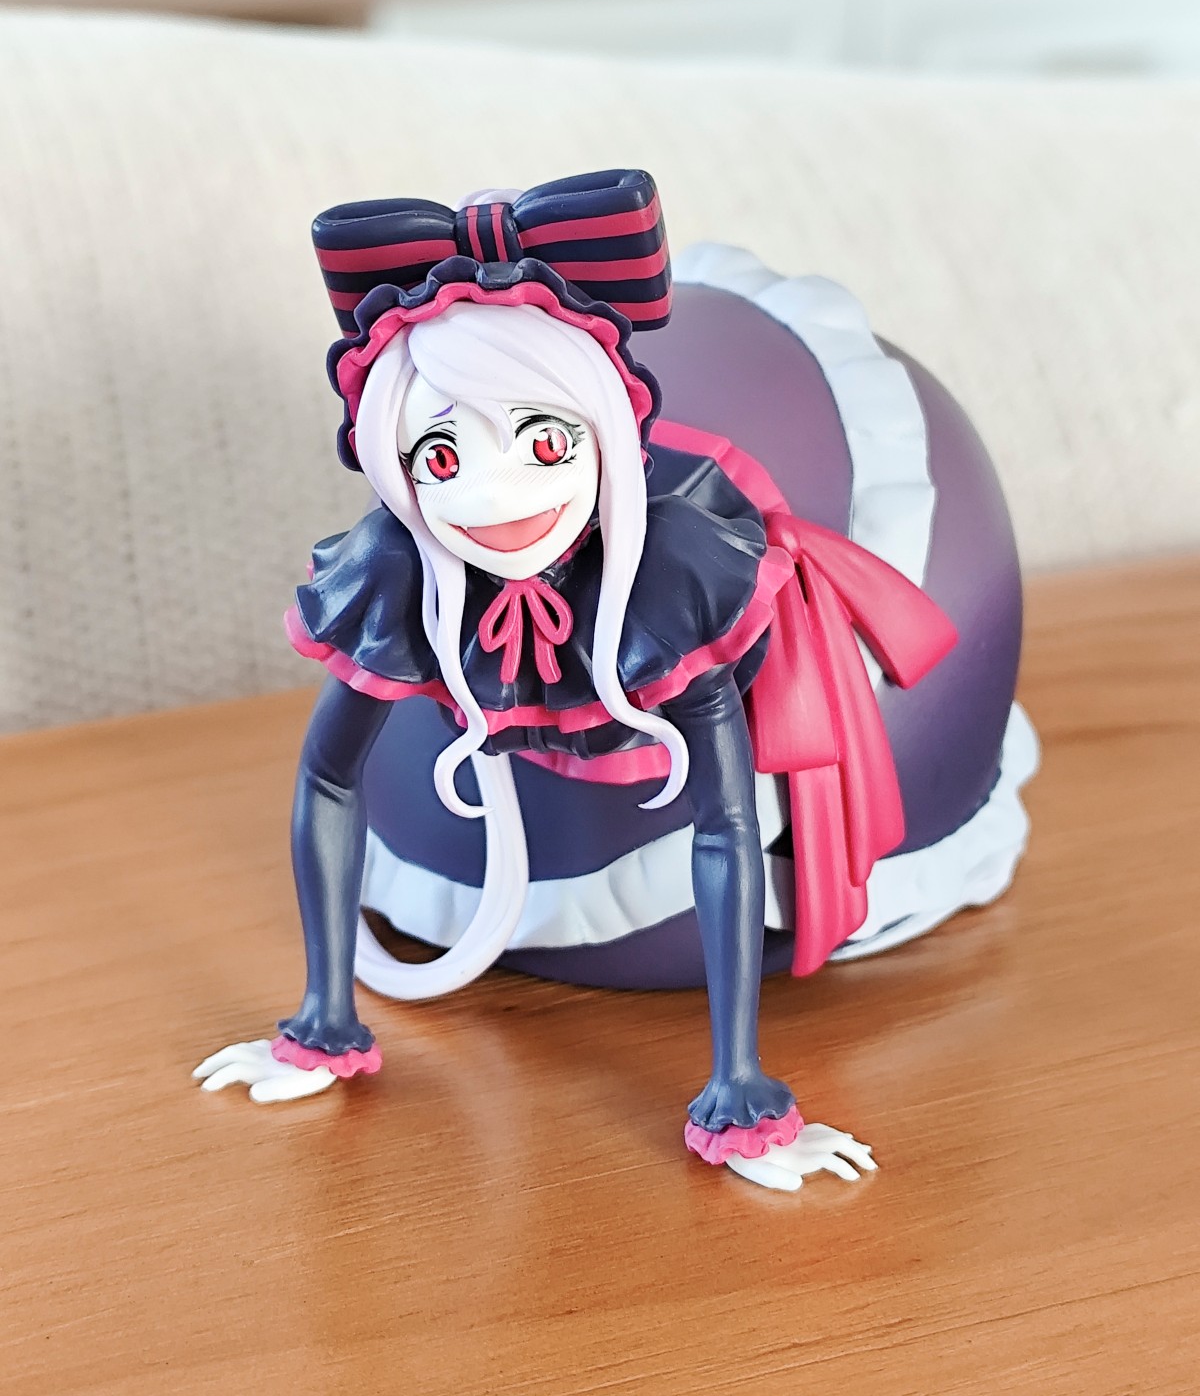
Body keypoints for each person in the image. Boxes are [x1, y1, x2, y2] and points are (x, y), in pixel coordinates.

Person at [195, 169, 959, 1192]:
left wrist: (741, 1089)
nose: (495, 494)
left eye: (544, 443)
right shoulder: (399, 573)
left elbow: (726, 822)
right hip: (452, 931)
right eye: (442, 455)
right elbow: (330, 777)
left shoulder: (673, 578)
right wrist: (321, 1021)